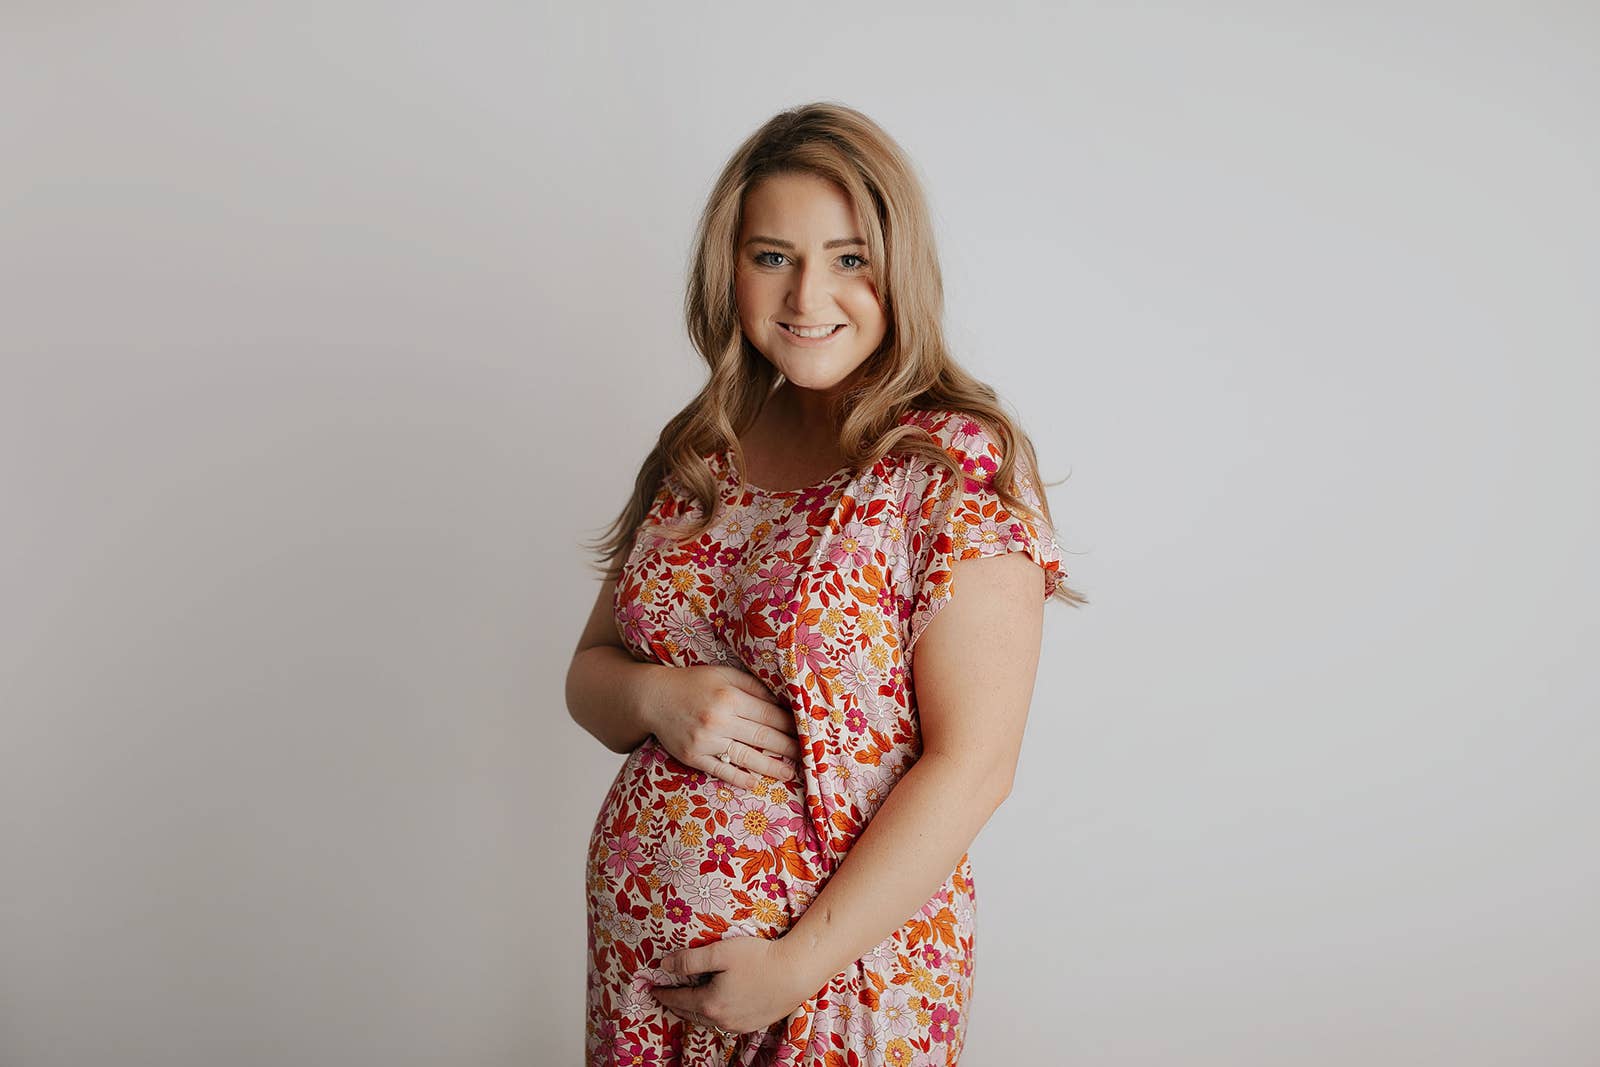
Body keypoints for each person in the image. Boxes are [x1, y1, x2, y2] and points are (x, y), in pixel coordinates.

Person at [566, 101, 1088, 1067]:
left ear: (900, 267)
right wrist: (656, 697)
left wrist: (791, 967)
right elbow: (588, 674)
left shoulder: (951, 465)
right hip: (644, 989)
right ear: (729, 268)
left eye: (850, 258)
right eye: (773, 256)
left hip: (837, 986)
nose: (808, 295)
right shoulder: (701, 450)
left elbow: (975, 765)